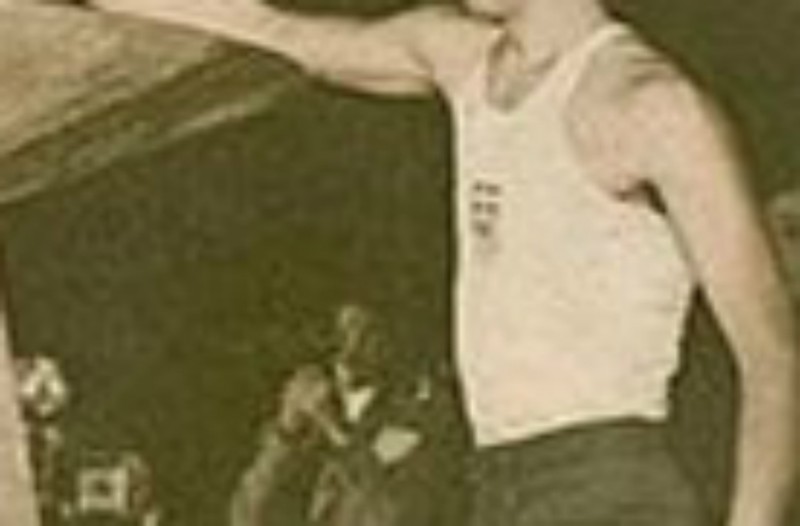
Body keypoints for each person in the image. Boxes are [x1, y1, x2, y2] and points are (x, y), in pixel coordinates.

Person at [84, 0, 799, 525]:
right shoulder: (462, 59)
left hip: (607, 483)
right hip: (494, 482)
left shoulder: (652, 105)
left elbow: (775, 361)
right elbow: (284, 33)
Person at [229, 303, 462, 526]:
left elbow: (392, 515)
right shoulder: (308, 422)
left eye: (366, 334)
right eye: (342, 333)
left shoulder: (416, 416)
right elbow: (248, 517)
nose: (350, 349)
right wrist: (286, 433)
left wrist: (336, 431)